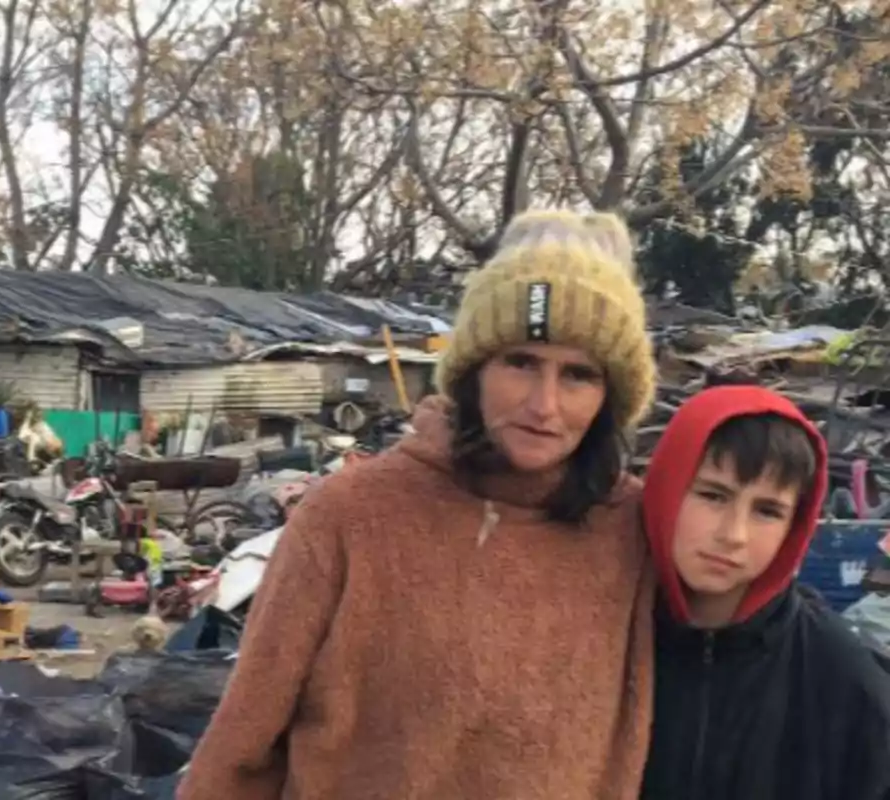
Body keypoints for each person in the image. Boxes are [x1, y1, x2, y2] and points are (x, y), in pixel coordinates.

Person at [177, 209, 659, 799]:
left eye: (579, 374)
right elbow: (240, 751)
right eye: (521, 362)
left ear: (612, 397)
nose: (544, 404)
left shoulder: (636, 532)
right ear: (475, 370)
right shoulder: (350, 516)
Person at [640, 385, 890, 800]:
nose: (733, 535)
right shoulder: (602, 643)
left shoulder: (843, 681)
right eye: (713, 496)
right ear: (666, 489)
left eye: (767, 511)